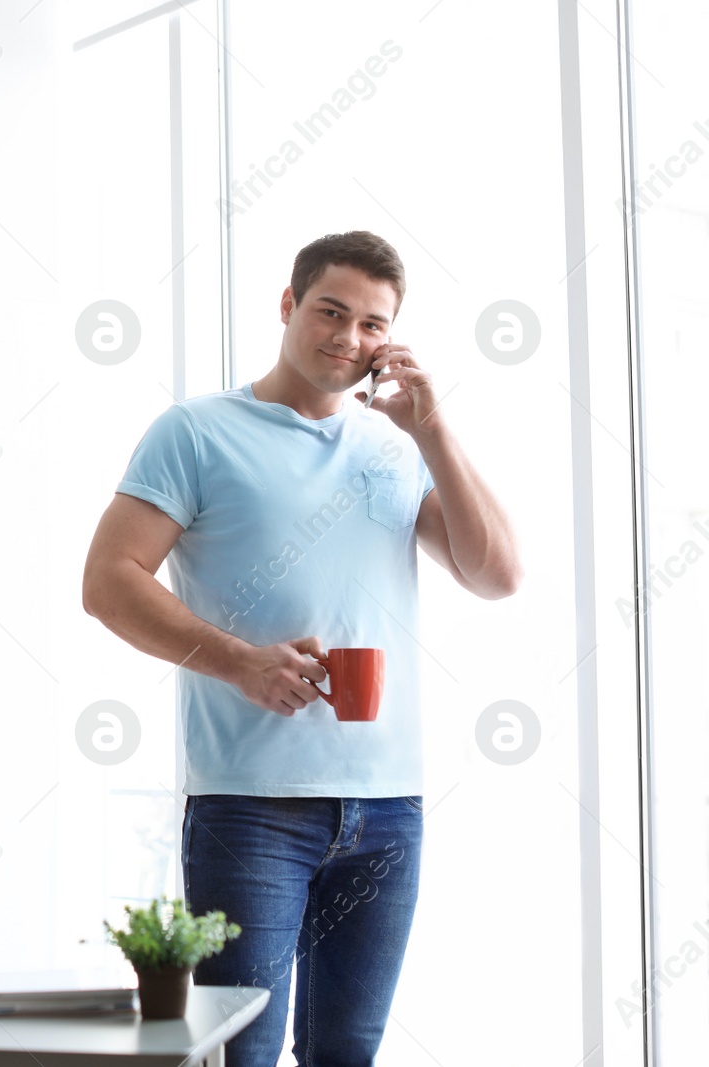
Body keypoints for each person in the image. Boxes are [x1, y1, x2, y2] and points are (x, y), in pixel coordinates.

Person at [81, 230, 522, 1065]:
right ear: (288, 306)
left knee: (345, 1053)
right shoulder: (196, 431)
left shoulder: (397, 449)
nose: (347, 339)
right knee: (236, 1054)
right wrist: (239, 660)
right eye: (330, 311)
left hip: (389, 808)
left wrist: (433, 430)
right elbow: (108, 582)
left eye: (371, 325)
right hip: (250, 807)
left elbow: (497, 574)